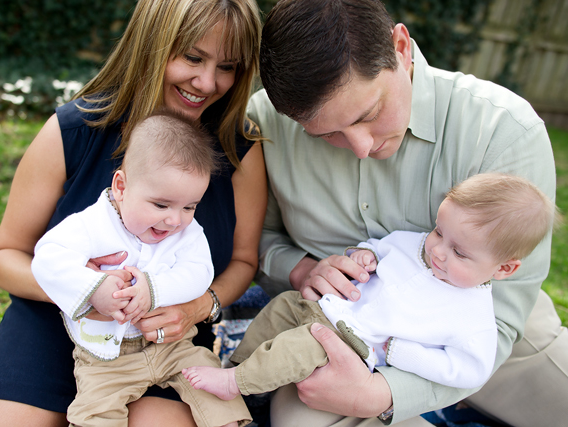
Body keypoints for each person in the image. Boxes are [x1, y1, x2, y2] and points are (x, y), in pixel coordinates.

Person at [248, 0, 566, 426]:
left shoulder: (503, 130)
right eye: (326, 135)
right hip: (339, 344)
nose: (361, 148)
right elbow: (255, 240)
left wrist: (387, 393)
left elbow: (503, 321)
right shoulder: (266, 121)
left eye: (370, 114)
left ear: (400, 46)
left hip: (486, 348)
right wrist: (301, 270)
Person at [0, 1, 266, 426]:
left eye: (228, 66)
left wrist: (199, 306)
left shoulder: (240, 150)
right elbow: (5, 257)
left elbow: (243, 261)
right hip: (53, 323)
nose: (207, 82)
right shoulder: (74, 130)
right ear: (154, 43)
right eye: (193, 58)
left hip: (163, 339)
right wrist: (87, 292)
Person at [183, 173, 557, 398]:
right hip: (324, 306)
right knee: (279, 308)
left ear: (504, 268)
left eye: (459, 252)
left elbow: (469, 370)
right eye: (439, 232)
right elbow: (380, 247)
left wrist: (401, 353)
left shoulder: (471, 316)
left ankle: (237, 383)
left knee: (298, 349)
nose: (439, 252)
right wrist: (364, 256)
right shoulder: (415, 244)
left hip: (350, 343)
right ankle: (240, 364)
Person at [31, 111, 251, 427]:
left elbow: (199, 272)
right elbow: (48, 259)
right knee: (95, 408)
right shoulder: (90, 226)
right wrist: (95, 288)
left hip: (172, 346)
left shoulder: (187, 232)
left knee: (212, 377)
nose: (175, 220)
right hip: (106, 355)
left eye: (189, 206)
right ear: (121, 186)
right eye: (161, 205)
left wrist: (154, 290)